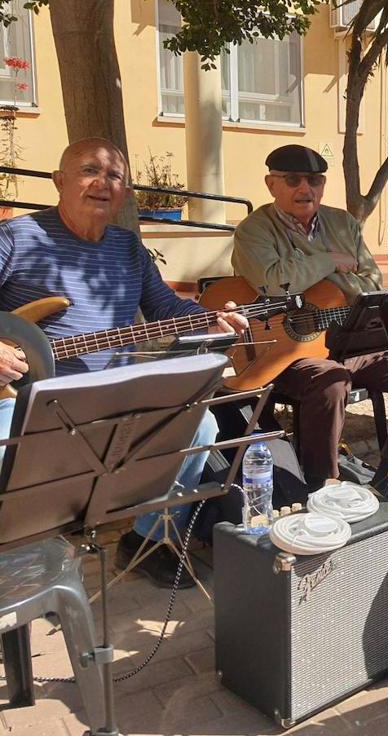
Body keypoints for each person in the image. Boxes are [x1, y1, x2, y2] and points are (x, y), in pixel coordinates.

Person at [0, 138, 247, 588]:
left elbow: (167, 309)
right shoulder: (16, 238)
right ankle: (14, 568)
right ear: (59, 181)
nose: (103, 183)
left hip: (106, 395)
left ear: (125, 192)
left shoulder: (128, 248)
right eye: (90, 171)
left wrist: (214, 319)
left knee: (201, 426)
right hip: (21, 396)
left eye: (115, 176)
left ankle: (145, 538)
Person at [232, 144, 388, 489]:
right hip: (284, 351)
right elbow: (274, 282)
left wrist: (306, 273)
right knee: (331, 381)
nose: (305, 188)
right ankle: (321, 486)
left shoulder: (343, 222)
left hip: (350, 341)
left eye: (314, 179)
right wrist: (329, 260)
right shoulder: (253, 230)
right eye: (293, 179)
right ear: (271, 185)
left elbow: (372, 283)